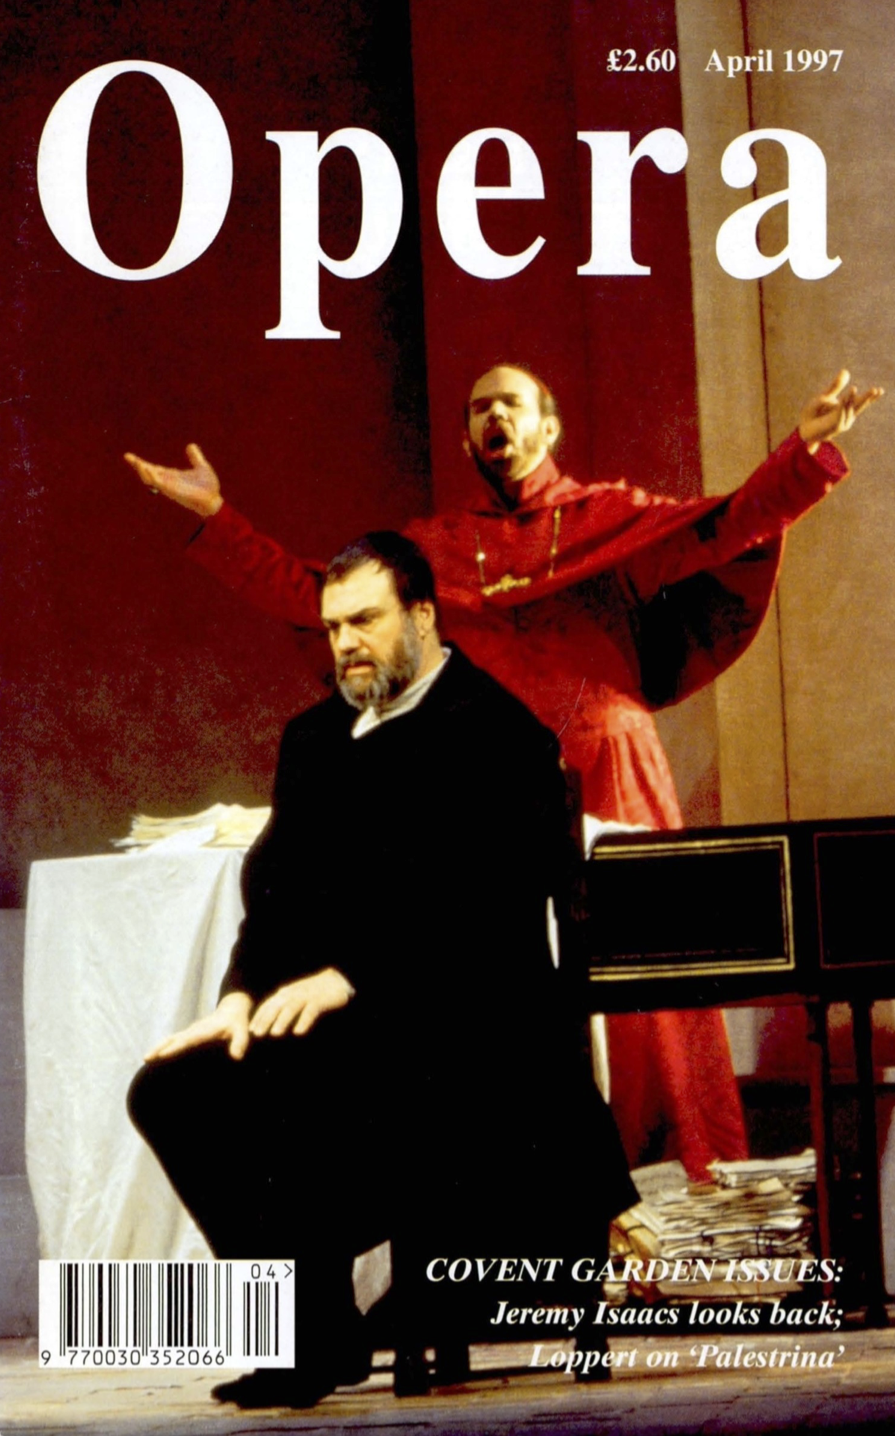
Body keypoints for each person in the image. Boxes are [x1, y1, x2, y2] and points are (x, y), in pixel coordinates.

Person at [124, 366, 882, 1182]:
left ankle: (669, 1177)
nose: (495, 417)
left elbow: (724, 525)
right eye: (479, 408)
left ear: (547, 428)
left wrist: (803, 452)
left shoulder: (606, 516)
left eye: (511, 403)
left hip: (607, 766)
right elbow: (309, 592)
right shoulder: (433, 548)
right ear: (465, 441)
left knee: (642, 993)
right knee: (485, 980)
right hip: (477, 788)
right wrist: (216, 518)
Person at [128, 530, 637, 1410]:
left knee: (298, 1085)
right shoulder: (314, 738)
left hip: (467, 1031)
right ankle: (311, 1331)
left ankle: (310, 1335)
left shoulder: (495, 733)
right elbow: (273, 891)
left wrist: (353, 976)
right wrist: (240, 995)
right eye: (333, 628)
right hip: (349, 1029)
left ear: (423, 616)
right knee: (172, 1090)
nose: (346, 644)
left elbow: (485, 908)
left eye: (365, 620)